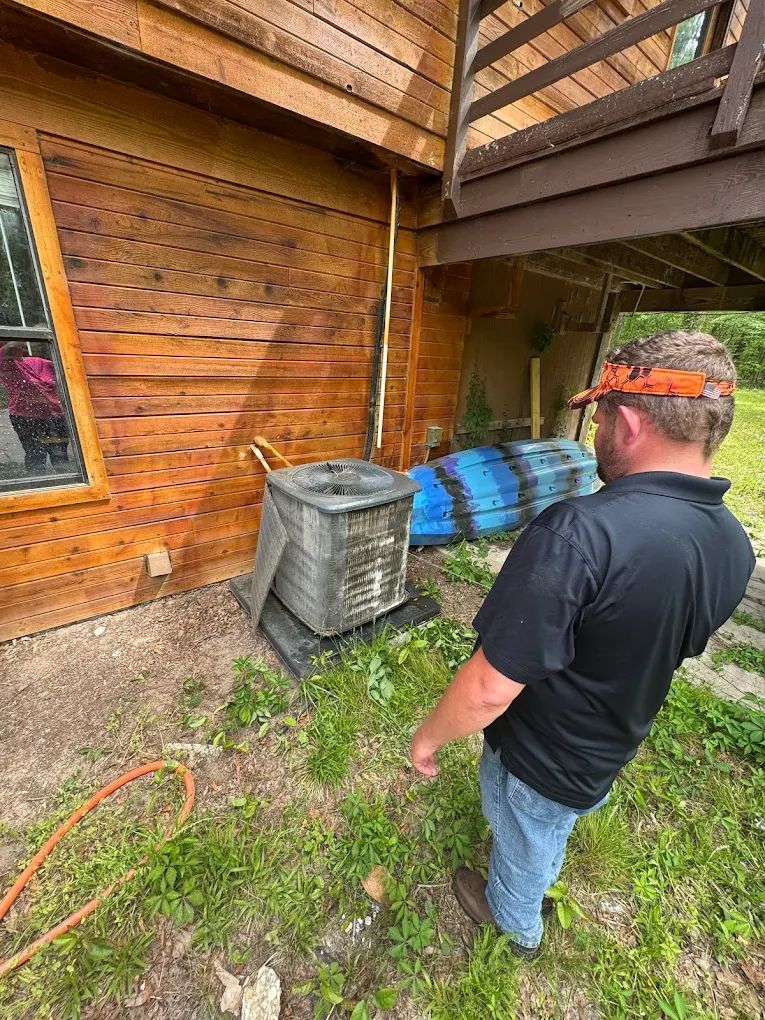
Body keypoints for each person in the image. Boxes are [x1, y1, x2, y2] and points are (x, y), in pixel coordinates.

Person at [410, 330, 755, 959]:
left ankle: (514, 923)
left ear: (627, 423)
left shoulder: (580, 534)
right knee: (548, 827)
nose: (594, 429)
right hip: (611, 743)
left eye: (598, 415)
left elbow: (490, 686)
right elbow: (678, 643)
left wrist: (427, 738)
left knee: (525, 834)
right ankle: (533, 875)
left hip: (543, 756)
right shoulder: (734, 543)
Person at [0, 341, 70, 473]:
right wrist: (20, 339)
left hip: (54, 415)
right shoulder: (10, 366)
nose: (20, 350)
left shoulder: (44, 363)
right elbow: (8, 350)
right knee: (36, 455)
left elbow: (70, 364)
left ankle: (68, 487)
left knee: (60, 455)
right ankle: (38, 485)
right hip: (25, 418)